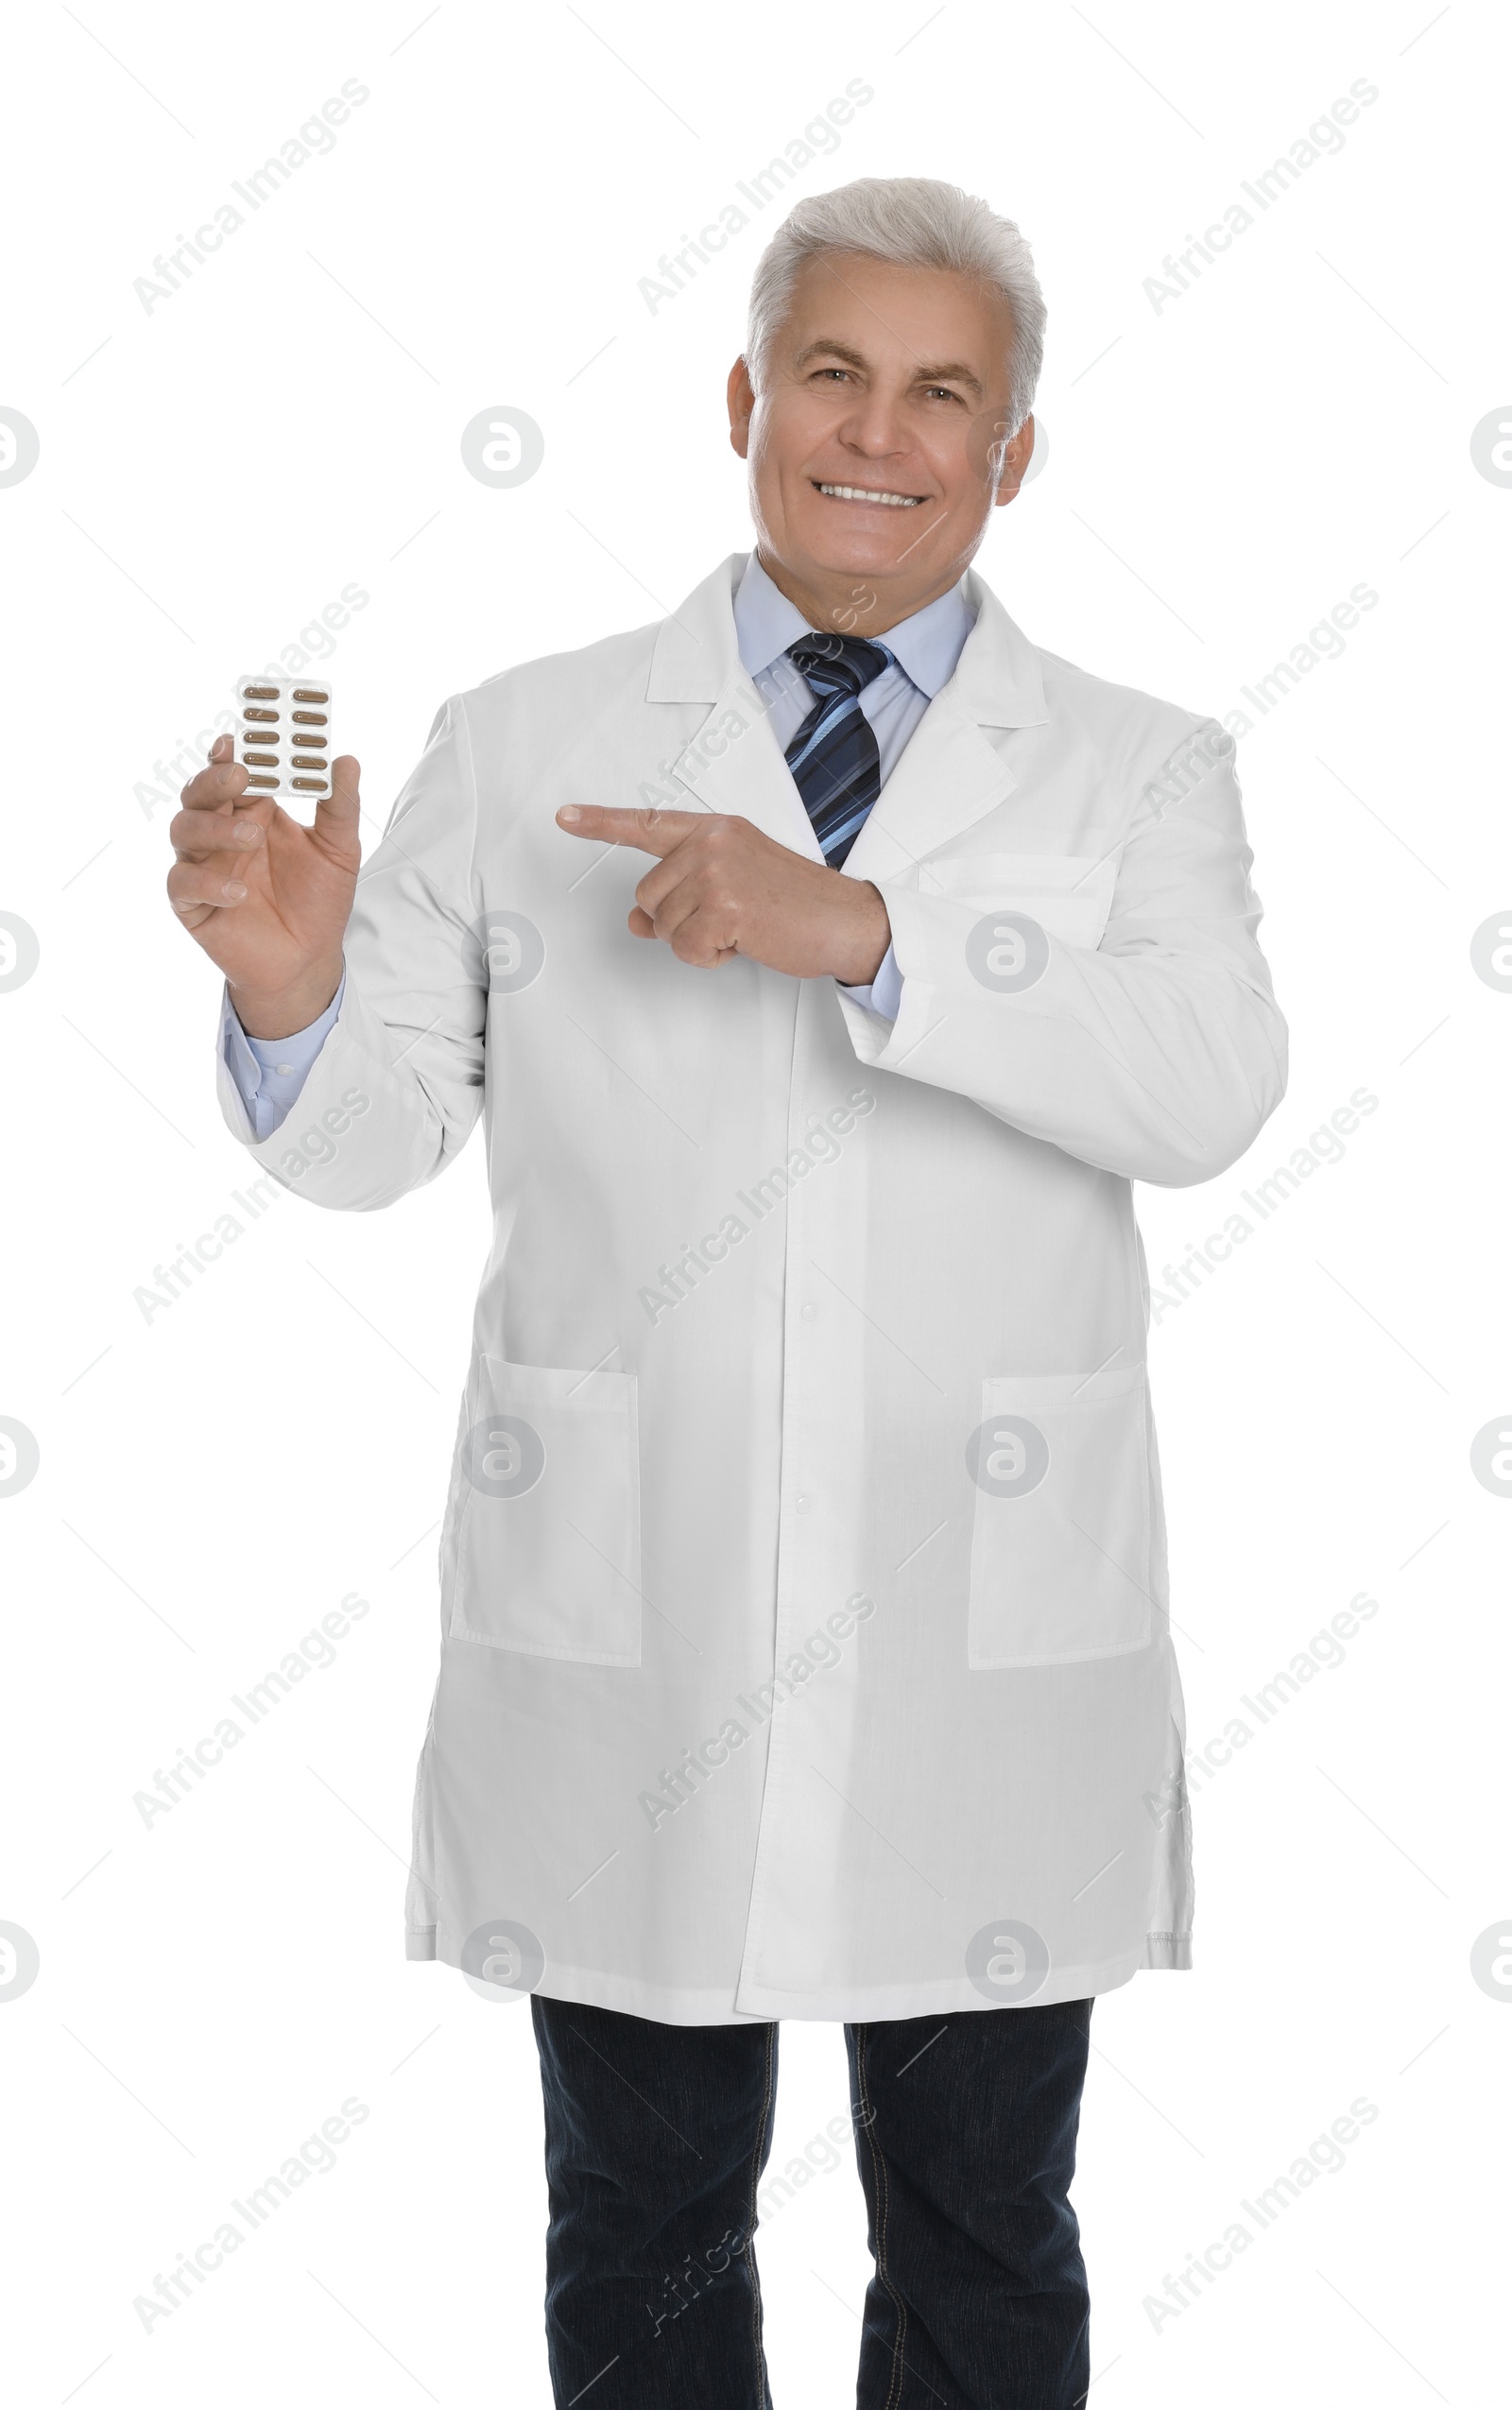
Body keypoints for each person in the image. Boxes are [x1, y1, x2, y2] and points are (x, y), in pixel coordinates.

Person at [166, 176, 1287, 2410]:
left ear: (1013, 449)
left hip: (981, 1623)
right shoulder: (521, 739)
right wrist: (293, 997)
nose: (876, 433)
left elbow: (1207, 1088)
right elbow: (373, 1136)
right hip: (638, 1607)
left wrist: (861, 932)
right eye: (833, 373)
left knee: (982, 2225)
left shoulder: (1142, 768)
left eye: (941, 393)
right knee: (646, 2224)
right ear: (744, 397)